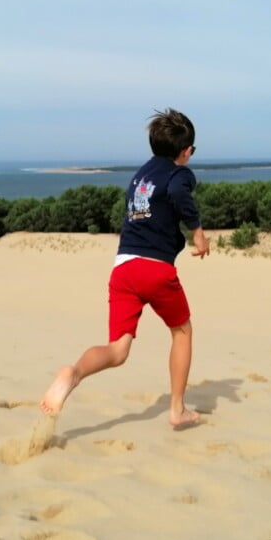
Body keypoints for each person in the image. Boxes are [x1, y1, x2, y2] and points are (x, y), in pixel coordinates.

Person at [40, 109, 210, 428]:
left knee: (118, 351)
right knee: (182, 332)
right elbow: (177, 194)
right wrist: (197, 231)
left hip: (123, 268)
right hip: (155, 269)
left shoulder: (139, 176)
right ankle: (177, 409)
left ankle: (73, 373)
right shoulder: (179, 174)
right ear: (185, 151)